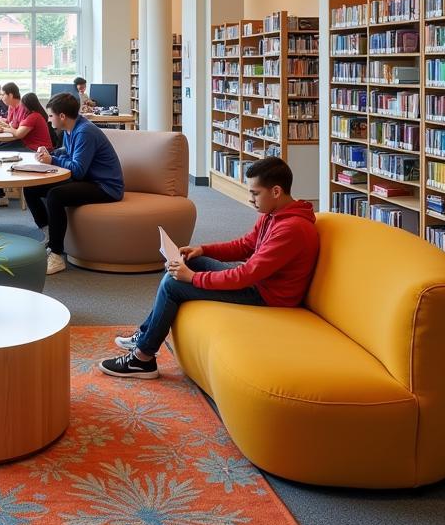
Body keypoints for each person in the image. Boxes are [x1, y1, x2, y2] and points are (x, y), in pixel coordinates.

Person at [99, 156, 320, 380]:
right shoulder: (273, 215)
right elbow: (245, 245)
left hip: (268, 296)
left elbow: (245, 274)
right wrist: (203, 250)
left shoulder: (292, 229)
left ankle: (142, 359)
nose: (250, 199)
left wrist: (193, 278)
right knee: (184, 262)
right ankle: (146, 336)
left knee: (174, 283)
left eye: (255, 193)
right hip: (258, 283)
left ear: (275, 191)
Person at [28, 92, 125, 274]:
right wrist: (50, 153)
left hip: (105, 186)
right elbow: (69, 152)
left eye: (50, 116)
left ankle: (57, 256)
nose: (49, 120)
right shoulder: (71, 129)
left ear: (62, 116)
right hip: (89, 178)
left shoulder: (85, 132)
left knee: (55, 196)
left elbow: (78, 170)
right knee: (31, 188)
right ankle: (50, 234)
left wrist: (52, 161)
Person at [0, 82, 28, 207]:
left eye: (2, 95)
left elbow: (17, 131)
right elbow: (10, 123)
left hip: (24, 143)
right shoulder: (12, 107)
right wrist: (0, 121)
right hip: (16, 139)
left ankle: (1, 194)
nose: (1, 97)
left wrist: (4, 127)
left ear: (11, 95)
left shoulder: (23, 107)